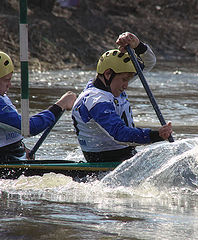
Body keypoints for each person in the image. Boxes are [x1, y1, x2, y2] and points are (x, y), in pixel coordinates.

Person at [72, 32, 172, 163]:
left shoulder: (112, 84)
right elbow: (119, 134)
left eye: (128, 79)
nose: (126, 85)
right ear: (108, 74)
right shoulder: (96, 100)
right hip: (105, 161)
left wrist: (137, 45)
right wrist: (157, 135)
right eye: (125, 79)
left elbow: (149, 62)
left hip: (127, 155)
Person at [0, 51, 76, 161]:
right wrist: (59, 106)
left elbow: (9, 130)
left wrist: (22, 148)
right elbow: (28, 128)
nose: (10, 84)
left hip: (13, 157)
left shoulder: (2, 97)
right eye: (6, 80)